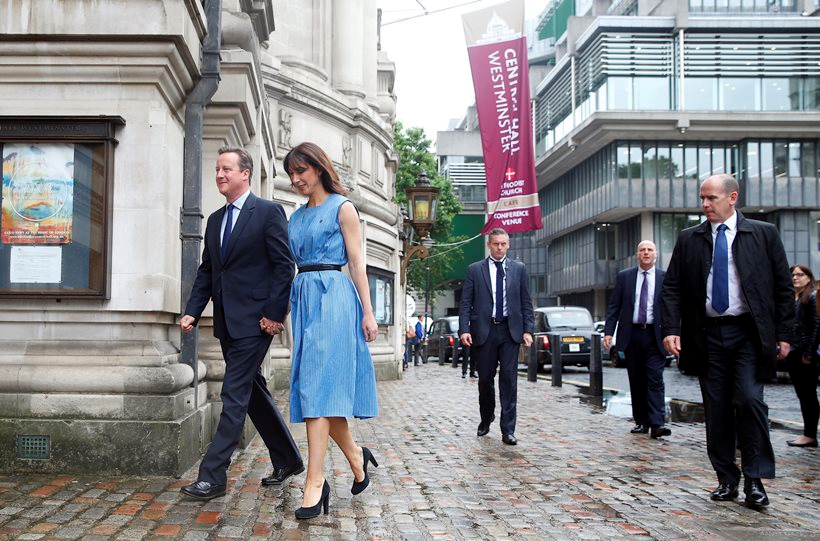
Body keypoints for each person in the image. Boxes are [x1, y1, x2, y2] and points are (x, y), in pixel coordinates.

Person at [661, 173, 795, 508]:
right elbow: (673, 287)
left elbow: (783, 287)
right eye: (702, 198)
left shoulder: (763, 234)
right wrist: (671, 328)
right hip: (706, 335)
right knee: (717, 409)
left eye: (711, 198)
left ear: (732, 198)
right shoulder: (689, 239)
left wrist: (785, 334)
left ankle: (755, 479)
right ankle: (726, 478)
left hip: (748, 333)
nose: (705, 204)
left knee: (750, 400)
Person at [179, 146, 303, 500]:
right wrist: (192, 309)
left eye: (226, 169)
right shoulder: (215, 220)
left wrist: (274, 314)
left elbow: (284, 266)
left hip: (256, 322)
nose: (219, 174)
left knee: (233, 394)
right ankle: (289, 458)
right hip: (226, 323)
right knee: (252, 391)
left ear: (245, 173)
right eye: (217, 169)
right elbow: (208, 272)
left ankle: (213, 475)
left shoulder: (267, 212)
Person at [284, 142, 379, 520]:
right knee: (318, 389)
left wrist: (368, 313)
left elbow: (357, 263)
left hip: (335, 297)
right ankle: (357, 458)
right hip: (305, 299)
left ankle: (315, 481)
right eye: (291, 173)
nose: (295, 179)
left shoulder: (344, 208)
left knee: (315, 389)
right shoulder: (295, 217)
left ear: (319, 169)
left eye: (301, 171)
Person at [459, 228, 534, 445]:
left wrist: (528, 330)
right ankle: (486, 416)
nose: (499, 247)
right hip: (484, 331)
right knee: (484, 379)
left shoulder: (519, 269)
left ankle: (508, 430)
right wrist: (464, 329)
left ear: (508, 245)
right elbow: (466, 302)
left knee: (509, 381)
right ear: (489, 245)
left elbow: (526, 302)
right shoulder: (475, 270)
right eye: (495, 244)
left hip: (510, 331)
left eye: (503, 244)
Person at [603, 240, 671, 439]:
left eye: (650, 250)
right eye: (642, 250)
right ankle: (642, 421)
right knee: (637, 380)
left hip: (654, 335)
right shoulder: (625, 277)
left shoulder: (664, 278)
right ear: (637, 254)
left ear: (655, 254)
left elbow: (671, 308)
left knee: (655, 379)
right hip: (632, 335)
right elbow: (614, 306)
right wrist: (608, 332)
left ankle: (657, 424)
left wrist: (674, 333)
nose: (646, 253)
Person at [785, 264, 819, 448]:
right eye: (793, 275)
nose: (795, 278)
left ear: (808, 277)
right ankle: (808, 433)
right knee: (802, 394)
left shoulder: (812, 297)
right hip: (794, 351)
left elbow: (817, 326)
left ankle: (810, 435)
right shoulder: (793, 298)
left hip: (805, 353)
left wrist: (809, 353)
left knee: (808, 394)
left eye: (800, 274)